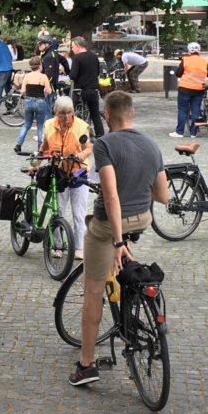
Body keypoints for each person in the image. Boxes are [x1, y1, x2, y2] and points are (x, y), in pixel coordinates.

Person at [71, 91, 169, 387]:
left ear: (106, 116)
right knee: (122, 245)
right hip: (143, 218)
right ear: (133, 113)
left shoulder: (104, 144)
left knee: (93, 291)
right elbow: (162, 195)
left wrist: (116, 240)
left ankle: (86, 365)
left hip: (108, 226)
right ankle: (131, 295)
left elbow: (111, 196)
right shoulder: (151, 144)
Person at [40, 96, 93, 261]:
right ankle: (57, 245)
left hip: (78, 173)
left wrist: (81, 154)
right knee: (58, 212)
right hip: (59, 174)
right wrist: (35, 164)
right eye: (63, 113)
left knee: (79, 213)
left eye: (70, 112)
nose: (67, 117)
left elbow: (89, 147)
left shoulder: (81, 126)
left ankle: (79, 247)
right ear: (56, 112)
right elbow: (44, 148)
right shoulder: (49, 125)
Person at [171, 41, 208, 138]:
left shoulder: (185, 60)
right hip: (198, 90)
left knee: (182, 110)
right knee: (196, 110)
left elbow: (178, 73)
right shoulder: (204, 61)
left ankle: (179, 132)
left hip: (185, 89)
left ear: (189, 51)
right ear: (199, 51)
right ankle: (193, 133)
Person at [14, 56, 52, 155]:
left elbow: (22, 91)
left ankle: (18, 145)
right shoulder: (43, 77)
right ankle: (40, 148)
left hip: (28, 101)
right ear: (40, 65)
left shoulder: (27, 76)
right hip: (40, 101)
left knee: (26, 124)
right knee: (40, 125)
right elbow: (49, 91)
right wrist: (44, 94)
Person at [68, 37, 104, 138]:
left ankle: (74, 134)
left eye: (73, 47)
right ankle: (100, 135)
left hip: (80, 91)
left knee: (71, 112)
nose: (72, 49)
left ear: (78, 46)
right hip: (93, 89)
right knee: (95, 114)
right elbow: (97, 72)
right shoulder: (94, 56)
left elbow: (73, 76)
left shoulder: (77, 58)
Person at [39, 34, 69, 115]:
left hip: (49, 85)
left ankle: (48, 124)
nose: (38, 46)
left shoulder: (49, 56)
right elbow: (63, 60)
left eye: (40, 44)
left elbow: (49, 75)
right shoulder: (52, 51)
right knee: (49, 106)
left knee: (47, 108)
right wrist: (67, 70)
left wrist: (45, 86)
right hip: (51, 84)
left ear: (47, 44)